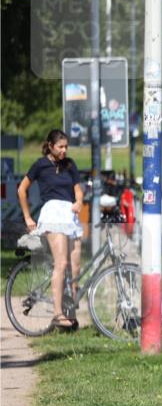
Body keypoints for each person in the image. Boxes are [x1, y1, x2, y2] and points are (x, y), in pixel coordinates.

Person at [17, 129, 85, 330]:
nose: (64, 150)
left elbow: (78, 191)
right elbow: (22, 189)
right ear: (50, 146)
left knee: (75, 267)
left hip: (69, 215)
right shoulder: (40, 165)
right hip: (53, 213)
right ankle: (57, 314)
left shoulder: (70, 164)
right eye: (60, 147)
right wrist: (28, 217)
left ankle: (70, 313)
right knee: (61, 262)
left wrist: (79, 202)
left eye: (66, 147)